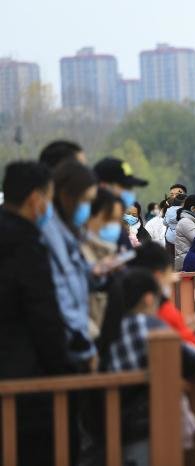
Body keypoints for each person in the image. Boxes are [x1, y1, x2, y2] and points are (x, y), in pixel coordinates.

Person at [0, 161, 70, 466]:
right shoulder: (28, 245)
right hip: (26, 382)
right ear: (34, 199)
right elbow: (43, 316)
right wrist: (66, 368)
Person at [98, 268, 195, 466]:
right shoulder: (150, 324)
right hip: (147, 422)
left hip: (116, 422)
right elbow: (190, 362)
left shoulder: (114, 328)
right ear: (148, 298)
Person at [43, 160, 98, 371]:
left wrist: (94, 274)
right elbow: (62, 292)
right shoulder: (51, 232)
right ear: (67, 196)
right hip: (69, 349)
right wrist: (85, 348)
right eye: (85, 200)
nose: (87, 208)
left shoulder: (69, 231)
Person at [128, 242, 195, 349]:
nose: (175, 278)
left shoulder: (125, 310)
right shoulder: (164, 311)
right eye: (170, 273)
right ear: (158, 276)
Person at [81, 188, 123, 339]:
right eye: (109, 219)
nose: (114, 226)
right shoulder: (79, 249)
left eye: (118, 220)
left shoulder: (110, 251)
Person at [94, 157, 149, 250]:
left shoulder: (125, 232)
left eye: (131, 188)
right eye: (125, 186)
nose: (130, 192)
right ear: (103, 186)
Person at [164, 193, 187, 261]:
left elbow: (165, 223)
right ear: (183, 202)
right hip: (181, 238)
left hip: (169, 237)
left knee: (171, 258)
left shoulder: (169, 210)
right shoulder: (184, 211)